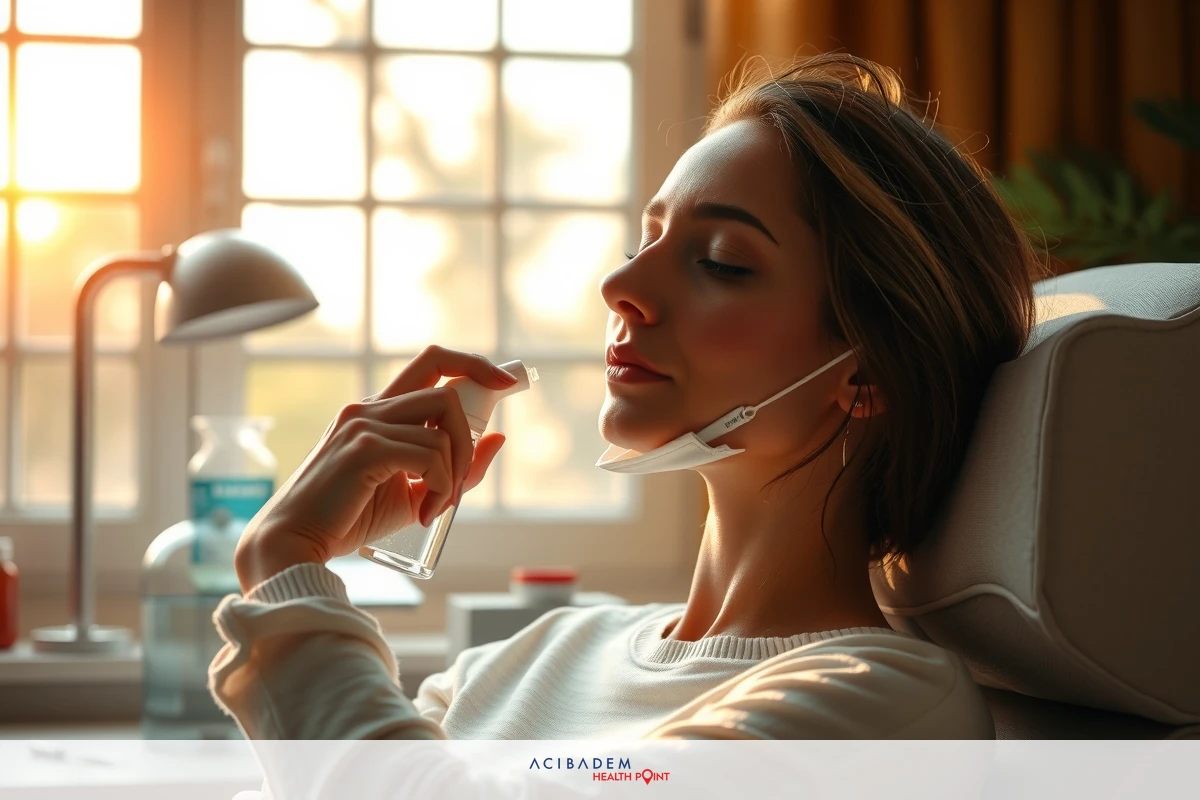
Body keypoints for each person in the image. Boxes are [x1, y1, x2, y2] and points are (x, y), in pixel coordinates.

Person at [208, 53, 1039, 742]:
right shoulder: (542, 652)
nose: (620, 285)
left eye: (720, 260)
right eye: (650, 239)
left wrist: (287, 563)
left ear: (867, 376)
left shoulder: (882, 702)